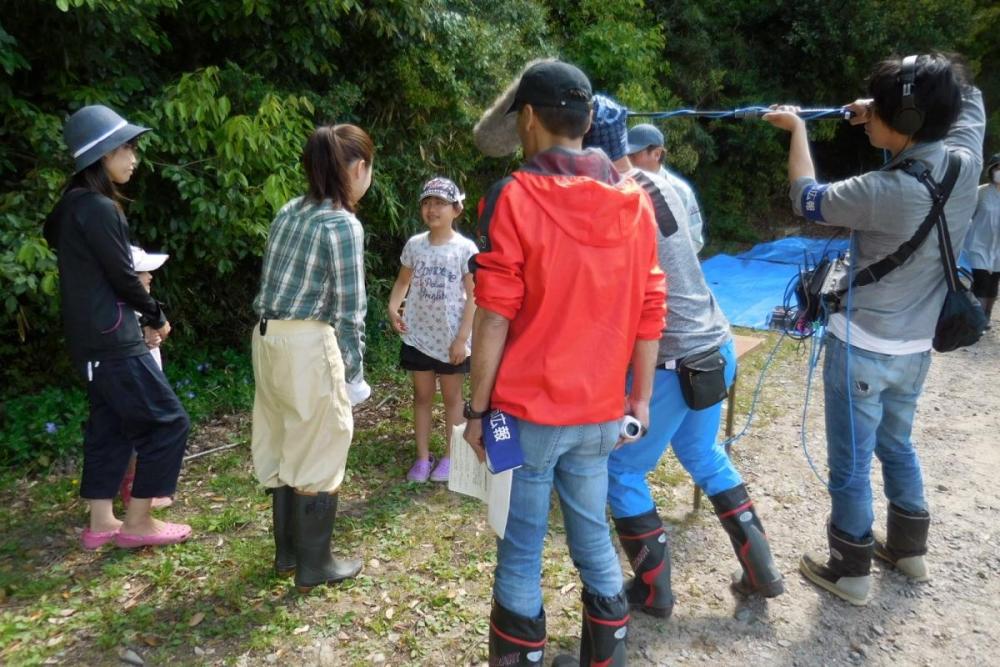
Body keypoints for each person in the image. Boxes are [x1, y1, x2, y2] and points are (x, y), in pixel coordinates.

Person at [465, 60, 666, 667]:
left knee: (521, 545)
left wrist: (478, 411)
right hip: (603, 415)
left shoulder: (513, 196)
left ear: (527, 118)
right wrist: (640, 400)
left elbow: (494, 315)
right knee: (593, 536)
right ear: (586, 122)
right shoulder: (635, 202)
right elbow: (651, 310)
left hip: (518, 419)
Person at [764, 53, 985, 605]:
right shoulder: (966, 161)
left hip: (862, 346)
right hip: (916, 349)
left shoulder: (880, 191)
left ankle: (851, 568)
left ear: (905, 121)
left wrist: (796, 131)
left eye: (881, 110)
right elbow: (971, 100)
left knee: (852, 462)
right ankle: (909, 551)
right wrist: (882, 106)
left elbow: (807, 198)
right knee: (897, 443)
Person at [580, 96, 784, 620]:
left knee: (622, 471)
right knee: (703, 454)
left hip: (671, 361)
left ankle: (653, 592)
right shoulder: (661, 181)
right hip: (715, 345)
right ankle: (764, 573)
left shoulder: (613, 199)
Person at [43, 105, 192, 550]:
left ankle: (101, 521)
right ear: (101, 154)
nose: (134, 158)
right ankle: (139, 521)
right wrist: (156, 314)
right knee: (169, 422)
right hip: (114, 337)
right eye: (126, 148)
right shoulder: (101, 209)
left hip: (88, 340)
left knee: (110, 427)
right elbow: (123, 275)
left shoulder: (69, 207)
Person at [251, 123, 373, 592]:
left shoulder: (290, 210)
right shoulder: (342, 222)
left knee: (284, 440)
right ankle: (315, 564)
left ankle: (287, 554)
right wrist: (354, 374)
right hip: (306, 343)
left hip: (267, 338)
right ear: (359, 168)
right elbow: (349, 309)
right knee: (321, 445)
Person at [387, 177, 477, 483]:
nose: (432, 209)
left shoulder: (465, 249)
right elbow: (403, 281)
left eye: (440, 203)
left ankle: (452, 457)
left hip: (451, 339)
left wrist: (463, 339)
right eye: (427, 202)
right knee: (422, 396)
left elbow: (475, 296)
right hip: (418, 336)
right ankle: (423, 458)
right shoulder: (415, 245)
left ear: (456, 209)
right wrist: (392, 306)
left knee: (453, 399)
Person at [117, 245, 175, 509]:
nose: (150, 276)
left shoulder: (143, 310)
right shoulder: (122, 310)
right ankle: (136, 492)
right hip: (135, 381)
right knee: (140, 430)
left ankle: (132, 487)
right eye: (143, 272)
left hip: (143, 378)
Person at [626, 123, 706, 253]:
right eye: (627, 155)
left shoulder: (680, 192)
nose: (628, 160)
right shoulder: (624, 188)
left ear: (657, 154)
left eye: (633, 155)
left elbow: (695, 240)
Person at [964, 153, 1000, 323]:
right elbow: (964, 214)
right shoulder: (981, 192)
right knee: (981, 282)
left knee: (993, 284)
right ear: (991, 171)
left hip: (999, 248)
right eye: (998, 168)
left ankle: (986, 316)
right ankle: (977, 319)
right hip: (979, 244)